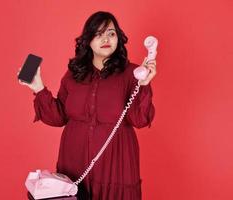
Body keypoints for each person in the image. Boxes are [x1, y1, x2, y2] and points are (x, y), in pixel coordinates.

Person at [19, 11, 156, 200]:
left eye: (111, 33)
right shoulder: (74, 74)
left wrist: (145, 85)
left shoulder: (132, 73)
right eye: (98, 34)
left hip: (115, 163)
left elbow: (140, 119)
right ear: (88, 40)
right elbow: (59, 116)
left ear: (118, 37)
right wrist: (38, 87)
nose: (106, 39)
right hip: (74, 160)